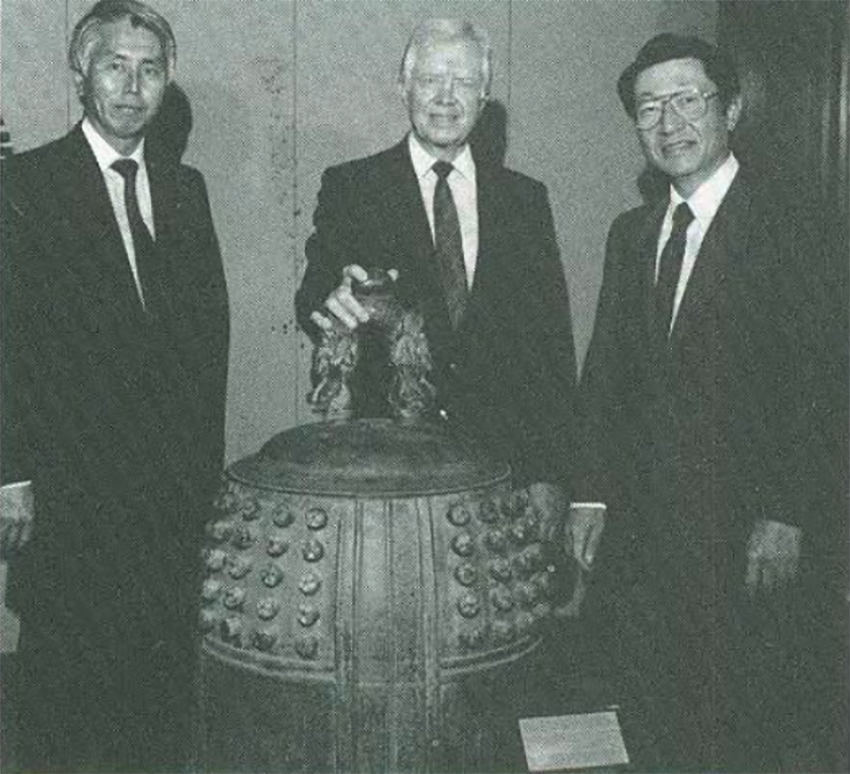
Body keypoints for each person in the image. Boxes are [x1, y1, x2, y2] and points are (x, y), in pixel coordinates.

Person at [574, 33, 838, 772]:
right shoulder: (630, 235)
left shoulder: (796, 223)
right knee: (654, 717)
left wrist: (787, 514)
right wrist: (589, 495)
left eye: (688, 100)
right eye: (649, 107)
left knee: (745, 726)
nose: (669, 123)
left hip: (748, 533)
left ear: (734, 108)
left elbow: (819, 383)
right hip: (646, 536)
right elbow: (607, 373)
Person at [0, 1, 229, 770]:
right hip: (67, 498)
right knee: (63, 711)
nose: (132, 86)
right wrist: (11, 473)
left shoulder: (187, 189)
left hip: (166, 503)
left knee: (159, 705)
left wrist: (205, 480)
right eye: (114, 65)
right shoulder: (22, 186)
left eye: (150, 69)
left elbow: (207, 347)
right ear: (80, 75)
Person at [296, 19, 586, 567]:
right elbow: (312, 291)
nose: (446, 97)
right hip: (389, 472)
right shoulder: (353, 186)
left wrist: (552, 473)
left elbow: (552, 343)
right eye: (430, 79)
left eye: (463, 81)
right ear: (403, 87)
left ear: (484, 94)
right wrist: (329, 301)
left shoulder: (525, 200)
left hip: (501, 473)